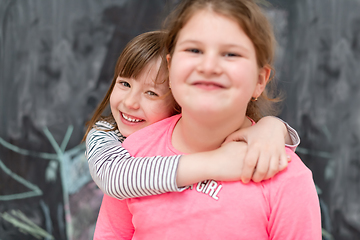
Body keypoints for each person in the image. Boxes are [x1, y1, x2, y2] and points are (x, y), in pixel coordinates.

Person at [93, 0, 322, 238]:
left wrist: (273, 125)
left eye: (231, 54)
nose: (209, 65)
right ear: (171, 69)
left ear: (259, 81)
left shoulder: (286, 177)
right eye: (194, 50)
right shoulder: (132, 153)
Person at [84, 30, 300, 200]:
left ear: (180, 99)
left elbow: (273, 156)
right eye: (124, 83)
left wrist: (273, 127)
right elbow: (114, 176)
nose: (129, 102)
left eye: (151, 93)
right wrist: (216, 163)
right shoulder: (106, 133)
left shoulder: (200, 133)